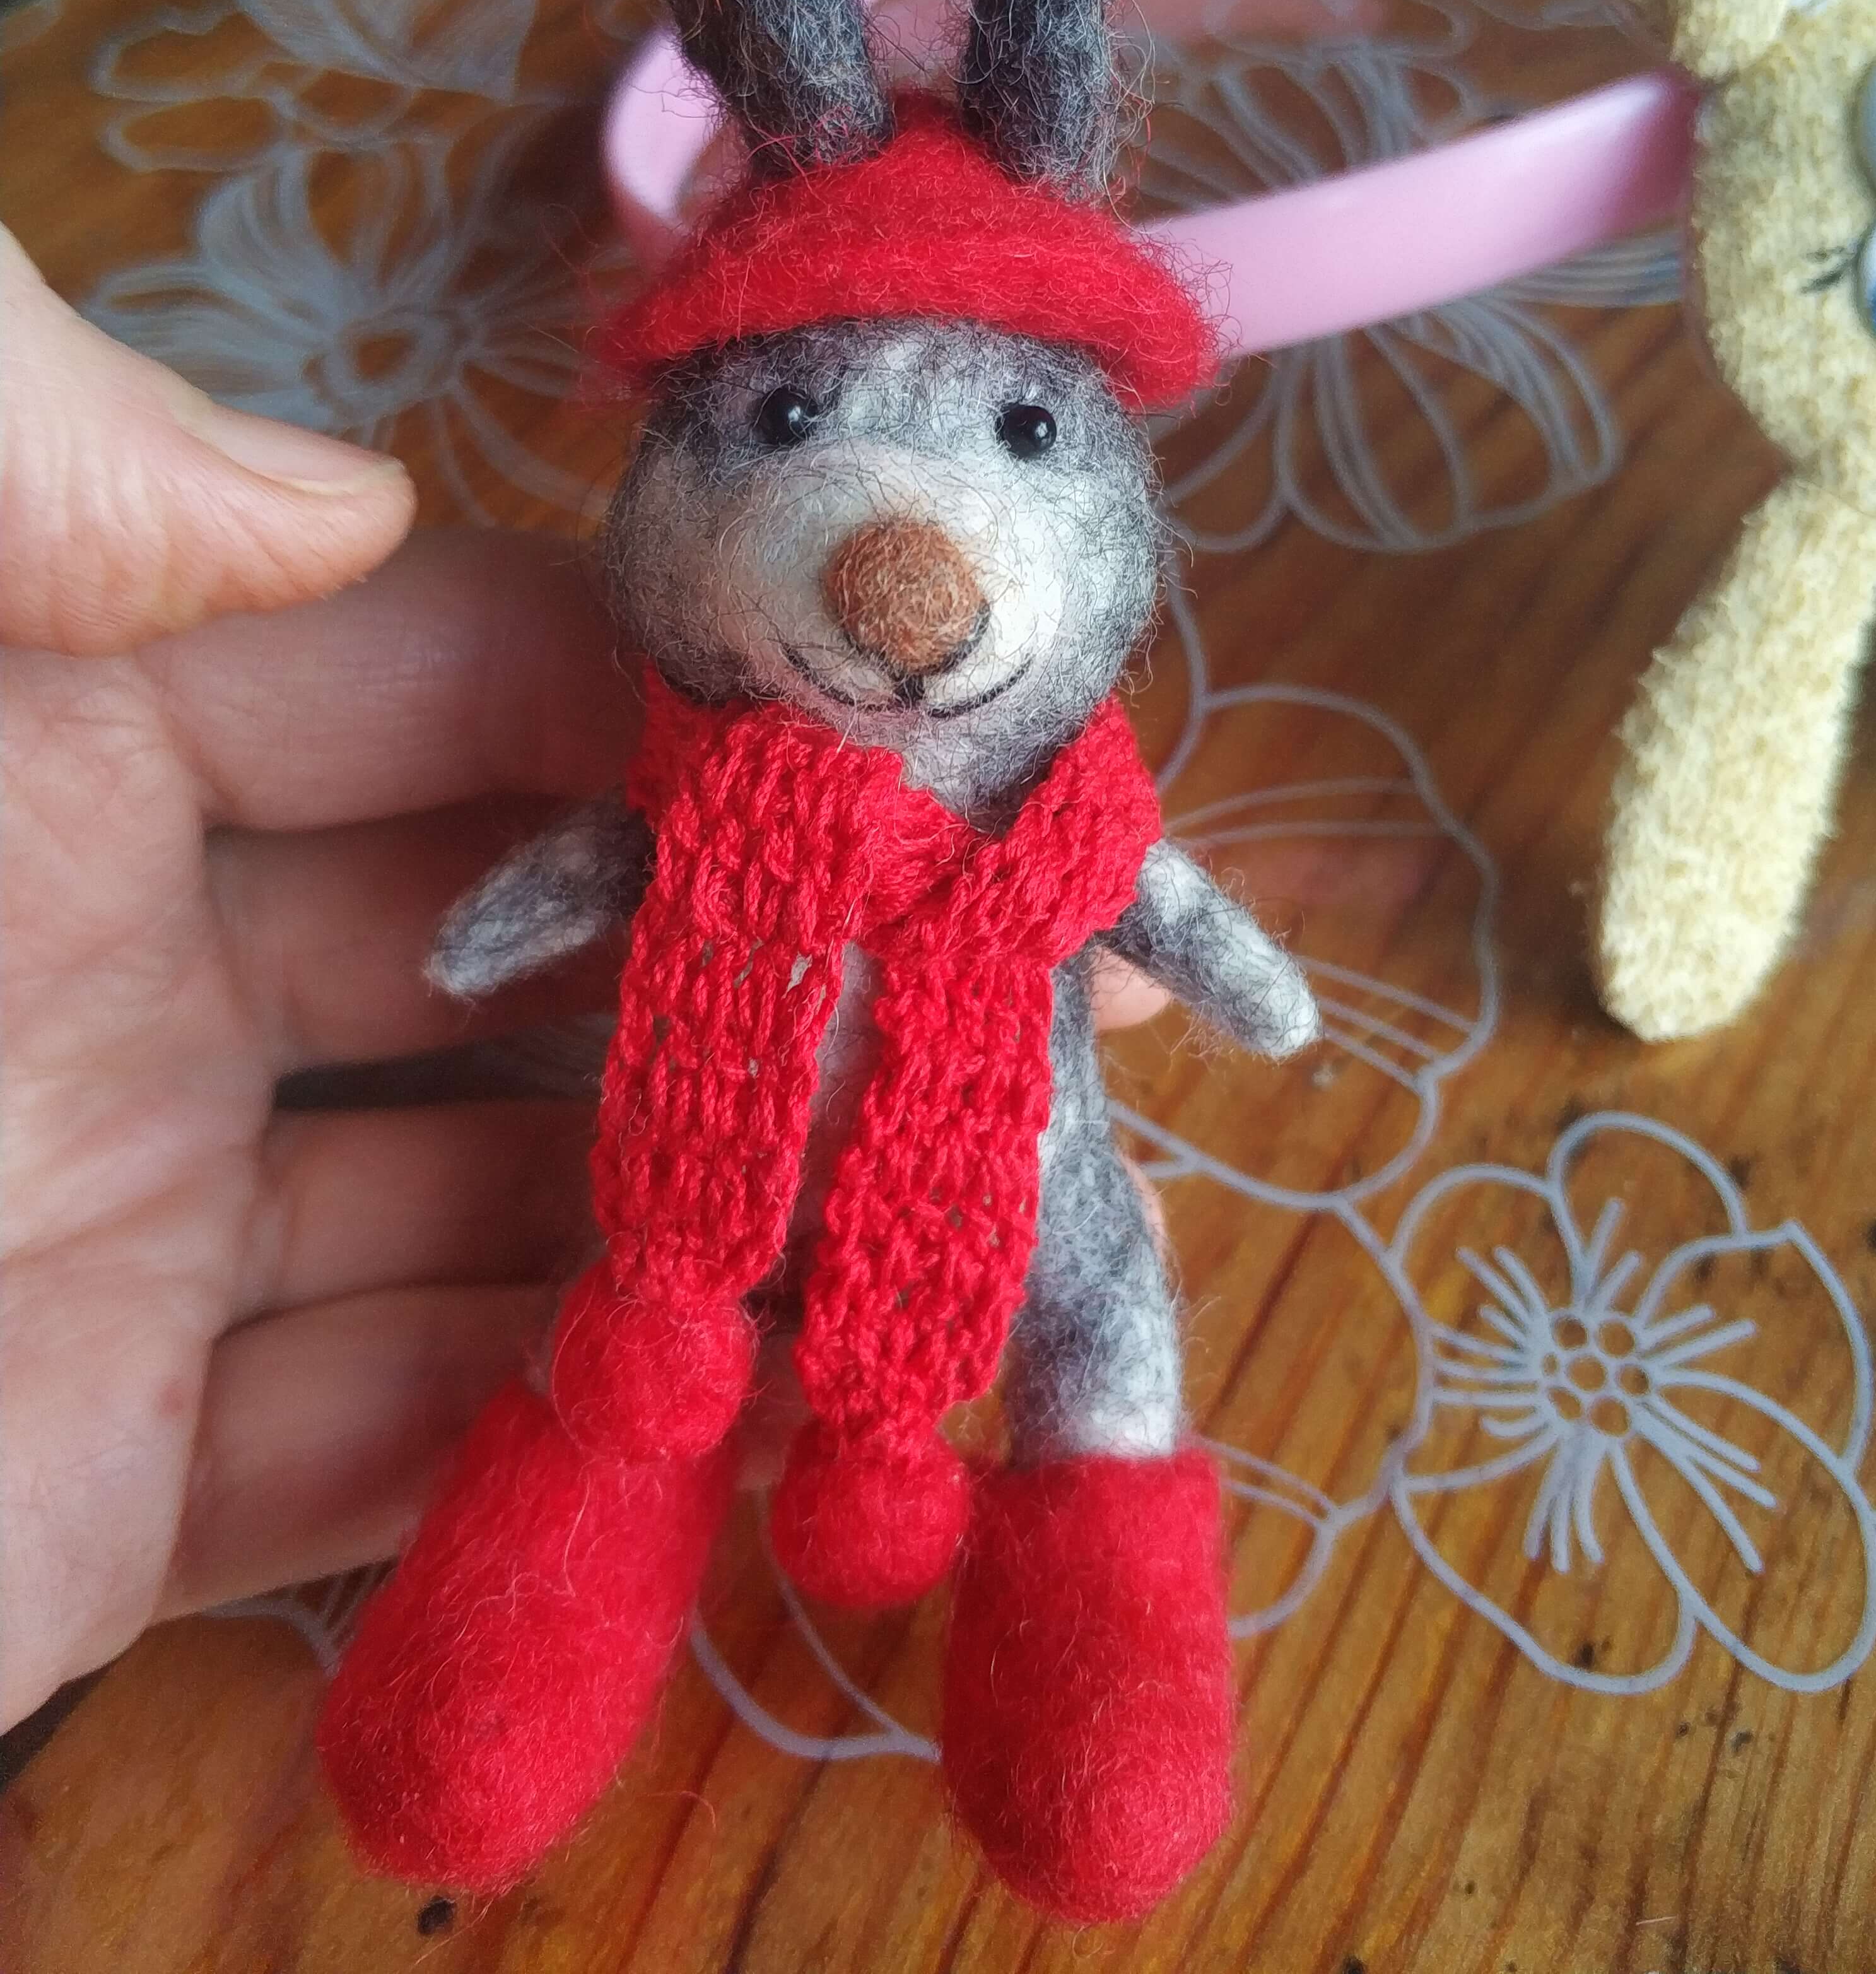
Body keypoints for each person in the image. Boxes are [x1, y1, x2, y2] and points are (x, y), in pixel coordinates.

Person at [0, 228, 1165, 1734]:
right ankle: (541, 1621)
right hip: (700, 1190)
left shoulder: (1065, 839)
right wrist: (493, 923)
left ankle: (1106, 1610)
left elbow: (1154, 905)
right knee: (633, 1337)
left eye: (1025, 432)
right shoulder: (708, 815)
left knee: (1097, 1314)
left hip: (1026, 1182)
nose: (906, 582)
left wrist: (1227, 965)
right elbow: (612, 859)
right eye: (786, 419)